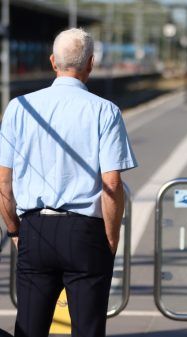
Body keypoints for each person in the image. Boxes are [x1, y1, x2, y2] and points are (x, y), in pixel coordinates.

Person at [0, 28, 137, 337]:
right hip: (86, 233)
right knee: (88, 330)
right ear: (91, 63)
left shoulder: (19, 108)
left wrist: (14, 232)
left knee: (29, 329)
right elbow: (112, 184)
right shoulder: (106, 111)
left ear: (52, 62)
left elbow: (4, 183)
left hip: (35, 229)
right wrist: (111, 239)